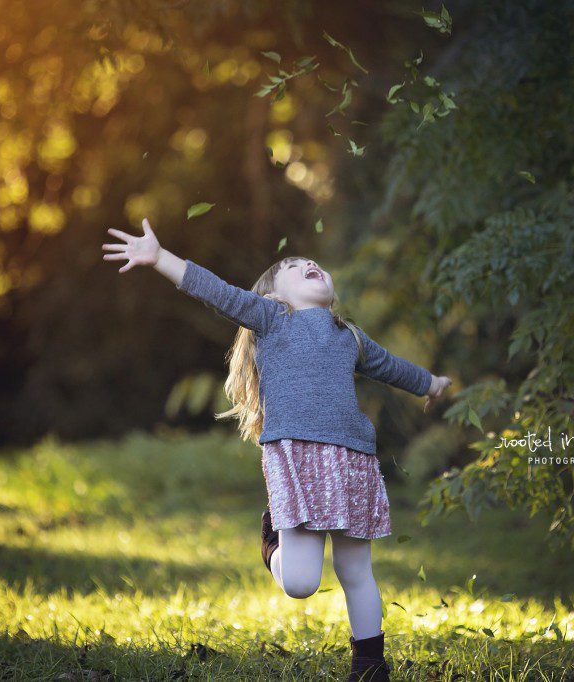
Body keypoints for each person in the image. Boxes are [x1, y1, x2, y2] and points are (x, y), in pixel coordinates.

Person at [103, 218, 452, 681]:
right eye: (292, 265)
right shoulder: (272, 319)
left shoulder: (348, 335)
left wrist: (431, 382)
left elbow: (390, 366)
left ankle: (370, 666)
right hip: (298, 458)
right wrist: (160, 257)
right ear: (274, 296)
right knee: (303, 584)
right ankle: (272, 545)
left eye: (312, 261)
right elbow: (216, 290)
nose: (308, 263)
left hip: (352, 460)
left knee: (355, 569)